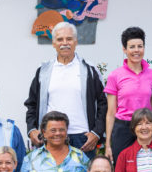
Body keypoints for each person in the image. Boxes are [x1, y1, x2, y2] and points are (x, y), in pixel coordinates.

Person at [24, 22, 107, 151]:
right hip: (51, 137)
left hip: (83, 138)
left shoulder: (89, 70)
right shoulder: (43, 71)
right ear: (53, 43)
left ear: (76, 41)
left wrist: (97, 132)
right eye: (60, 39)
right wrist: (32, 129)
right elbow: (31, 104)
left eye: (69, 39)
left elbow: (103, 103)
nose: (65, 43)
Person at [104, 26, 152, 161]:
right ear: (124, 49)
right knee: (122, 165)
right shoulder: (115, 75)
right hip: (123, 128)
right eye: (132, 47)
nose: (136, 50)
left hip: (145, 126)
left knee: (147, 165)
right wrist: (108, 144)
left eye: (140, 46)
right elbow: (111, 113)